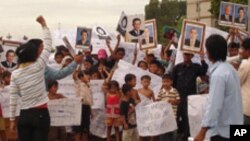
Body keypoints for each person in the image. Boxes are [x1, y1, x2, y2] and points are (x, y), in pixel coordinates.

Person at [9, 16, 52, 141]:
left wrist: (12, 120)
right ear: (33, 54)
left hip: (24, 115)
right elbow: (48, 44)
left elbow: (13, 99)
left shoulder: (15, 74)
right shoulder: (39, 65)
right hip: (41, 113)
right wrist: (44, 24)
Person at [194, 34, 243, 141]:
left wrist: (202, 132)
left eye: (207, 50)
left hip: (224, 131)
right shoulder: (230, 69)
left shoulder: (219, 74)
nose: (206, 53)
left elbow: (214, 106)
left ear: (211, 52)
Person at [172, 51, 208, 141]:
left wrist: (202, 59)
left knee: (187, 118)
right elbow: (173, 82)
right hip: (178, 97)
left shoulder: (196, 67)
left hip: (190, 98)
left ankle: (186, 137)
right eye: (185, 54)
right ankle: (174, 138)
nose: (186, 56)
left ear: (192, 56)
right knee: (175, 118)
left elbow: (203, 72)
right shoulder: (177, 67)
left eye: (188, 54)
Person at [157, 74, 180, 141]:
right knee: (163, 132)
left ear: (171, 82)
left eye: (167, 81)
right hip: (163, 115)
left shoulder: (175, 91)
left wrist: (172, 101)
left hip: (173, 115)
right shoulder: (161, 92)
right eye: (164, 82)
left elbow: (178, 101)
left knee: (173, 132)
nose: (165, 83)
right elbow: (158, 102)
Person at [72, 70, 93, 141]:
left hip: (86, 108)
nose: (88, 77)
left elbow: (90, 100)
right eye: (86, 75)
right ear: (81, 77)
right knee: (78, 129)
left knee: (85, 128)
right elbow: (74, 77)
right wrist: (76, 71)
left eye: (89, 75)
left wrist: (90, 110)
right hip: (79, 107)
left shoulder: (89, 86)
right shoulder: (79, 83)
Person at [238, 38, 250, 125]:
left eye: (242, 49)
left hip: (245, 109)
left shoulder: (246, 63)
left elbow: (237, 82)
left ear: (248, 50)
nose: (240, 51)